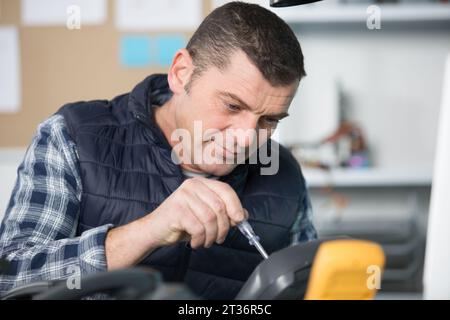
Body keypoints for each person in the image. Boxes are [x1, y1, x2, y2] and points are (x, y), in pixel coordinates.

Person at [0, 2, 317, 299]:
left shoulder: (284, 173)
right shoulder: (71, 136)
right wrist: (148, 231)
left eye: (269, 119)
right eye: (232, 106)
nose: (247, 139)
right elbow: (11, 278)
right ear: (182, 73)